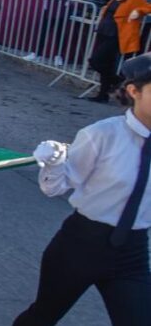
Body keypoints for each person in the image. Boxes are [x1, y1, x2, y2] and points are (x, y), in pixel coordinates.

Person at [17, 54, 151, 324]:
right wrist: (54, 162)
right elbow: (55, 187)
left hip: (132, 252)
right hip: (80, 245)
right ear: (133, 91)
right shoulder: (103, 134)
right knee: (43, 316)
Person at [87, 0, 151, 103]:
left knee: (96, 61)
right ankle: (103, 93)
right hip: (105, 31)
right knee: (105, 63)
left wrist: (138, 11)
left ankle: (117, 81)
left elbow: (148, 7)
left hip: (117, 35)